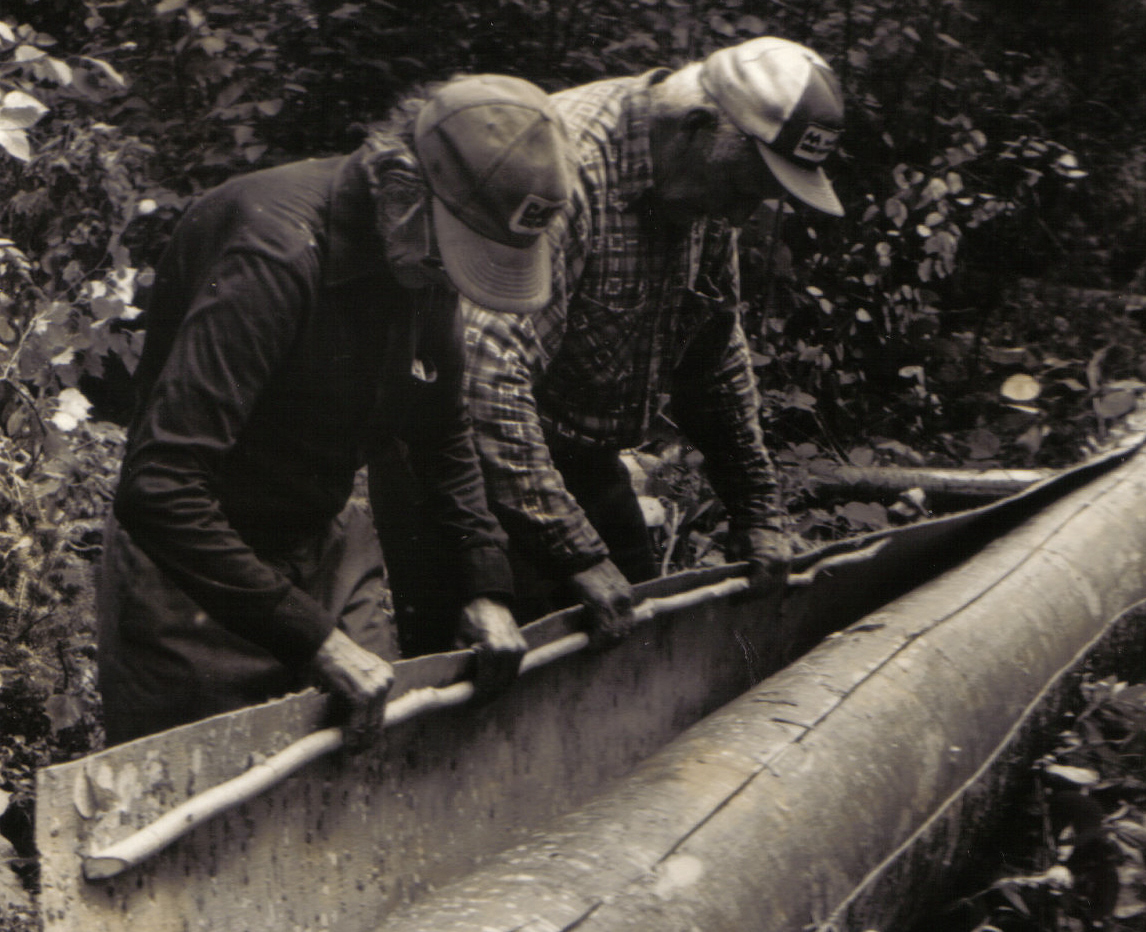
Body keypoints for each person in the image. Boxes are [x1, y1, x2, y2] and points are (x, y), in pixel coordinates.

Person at [97, 74, 573, 746]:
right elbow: (159, 488)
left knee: (367, 766)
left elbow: (440, 433)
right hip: (195, 571)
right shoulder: (275, 255)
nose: (449, 283)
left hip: (321, 538)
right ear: (404, 187)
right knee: (200, 809)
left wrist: (484, 580)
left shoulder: (420, 252)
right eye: (449, 261)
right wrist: (314, 639)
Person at [372, 37, 846, 643]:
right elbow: (488, 377)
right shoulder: (565, 168)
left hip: (579, 460)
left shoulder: (702, 190)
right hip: (460, 472)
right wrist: (575, 555)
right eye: (745, 187)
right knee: (485, 687)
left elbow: (712, 353)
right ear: (698, 129)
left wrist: (757, 509)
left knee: (636, 646)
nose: (741, 214)